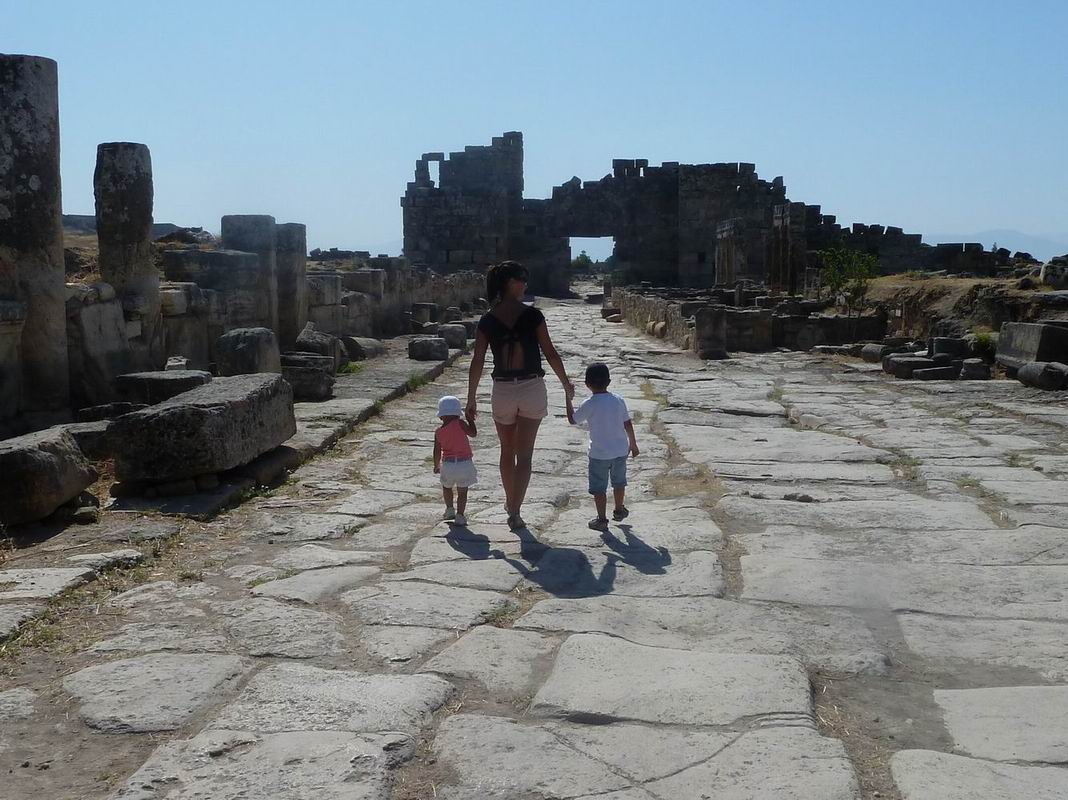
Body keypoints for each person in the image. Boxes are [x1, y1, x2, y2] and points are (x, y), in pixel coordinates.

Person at [466, 261, 574, 530]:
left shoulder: (488, 320)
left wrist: (471, 397)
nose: (525, 284)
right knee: (525, 455)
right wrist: (565, 383)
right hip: (531, 387)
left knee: (507, 451)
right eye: (521, 279)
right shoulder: (533, 316)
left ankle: (509, 501)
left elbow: (478, 360)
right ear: (509, 283)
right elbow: (550, 353)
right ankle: (515, 510)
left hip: (503, 388)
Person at [565, 362, 640, 531]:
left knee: (599, 487)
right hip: (620, 451)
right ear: (609, 381)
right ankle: (619, 509)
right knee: (619, 482)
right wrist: (633, 444)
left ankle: (602, 519)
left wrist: (568, 398)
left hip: (599, 454)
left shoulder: (589, 403)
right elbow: (627, 423)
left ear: (587, 384)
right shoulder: (618, 400)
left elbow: (572, 419)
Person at [433, 395, 477, 526]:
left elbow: (436, 451)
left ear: (441, 416)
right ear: (458, 413)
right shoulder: (460, 424)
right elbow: (473, 433)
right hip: (464, 463)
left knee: (447, 487)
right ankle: (460, 515)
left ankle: (449, 509)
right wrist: (470, 420)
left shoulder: (439, 432)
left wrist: (436, 465)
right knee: (462, 492)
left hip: (448, 464)